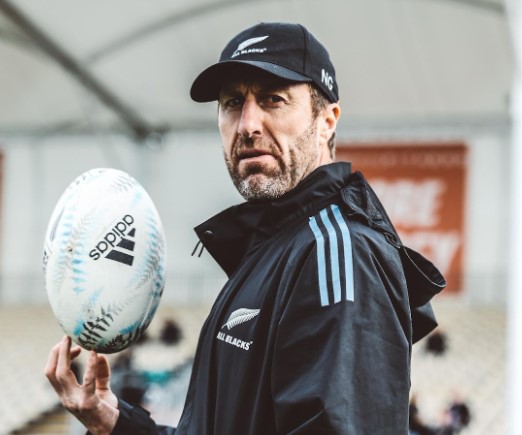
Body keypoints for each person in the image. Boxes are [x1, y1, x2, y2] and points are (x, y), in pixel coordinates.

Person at [45, 22, 446, 434]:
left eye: (273, 99)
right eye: (233, 102)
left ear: (327, 121)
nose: (247, 124)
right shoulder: (274, 248)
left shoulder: (337, 254)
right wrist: (116, 421)